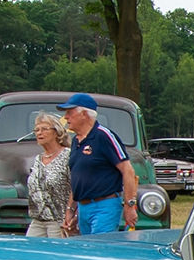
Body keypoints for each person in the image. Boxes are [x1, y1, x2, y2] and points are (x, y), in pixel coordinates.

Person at [59, 93, 137, 235]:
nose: (65, 117)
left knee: (100, 248)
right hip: (83, 208)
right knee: (87, 251)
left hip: (104, 205)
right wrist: (71, 209)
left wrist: (129, 205)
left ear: (84, 114)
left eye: (69, 112)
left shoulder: (104, 136)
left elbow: (128, 170)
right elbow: (77, 178)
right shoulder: (76, 141)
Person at [26, 113, 72, 237]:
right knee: (29, 251)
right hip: (37, 219)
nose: (39, 133)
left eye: (44, 129)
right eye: (36, 130)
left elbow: (76, 187)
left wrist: (69, 214)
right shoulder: (38, 159)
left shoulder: (68, 156)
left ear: (57, 133)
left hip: (59, 220)